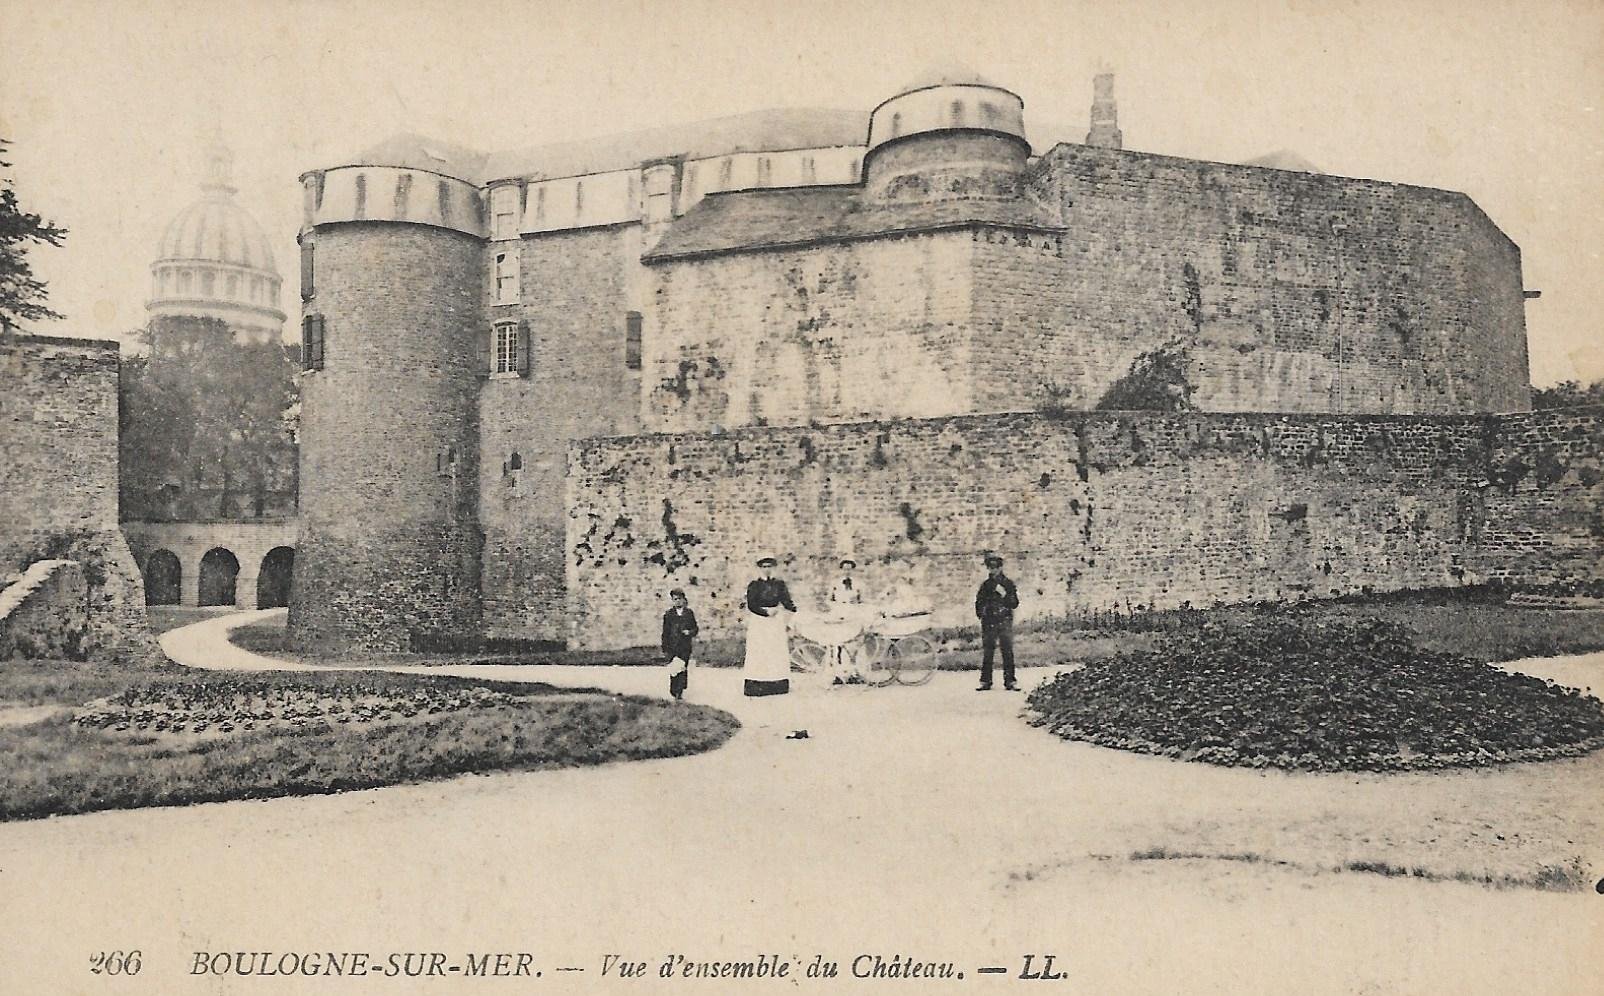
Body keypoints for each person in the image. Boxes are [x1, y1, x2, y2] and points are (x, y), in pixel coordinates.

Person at [743, 556, 796, 696]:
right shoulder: (754, 585)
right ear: (760, 568)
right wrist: (765, 612)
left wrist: (796, 611)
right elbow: (751, 605)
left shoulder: (779, 584)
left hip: (775, 622)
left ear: (773, 568)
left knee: (775, 650)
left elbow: (787, 601)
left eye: (769, 566)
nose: (767, 569)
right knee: (759, 650)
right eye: (764, 566)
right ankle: (757, 684)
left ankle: (777, 684)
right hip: (759, 621)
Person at [974, 553, 1019, 691]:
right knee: (988, 651)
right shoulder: (986, 585)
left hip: (1004, 620)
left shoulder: (1008, 584)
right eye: (990, 568)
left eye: (995, 567)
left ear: (1000, 568)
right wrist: (982, 614)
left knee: (1007, 651)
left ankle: (1010, 681)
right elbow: (979, 602)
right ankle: (986, 681)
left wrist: (1005, 594)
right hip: (989, 622)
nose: (993, 570)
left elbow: (1014, 603)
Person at [827, 557, 866, 685]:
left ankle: (854, 673)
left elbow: (863, 601)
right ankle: (837, 674)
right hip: (838, 614)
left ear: (853, 570)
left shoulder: (859, 584)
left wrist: (857, 606)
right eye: (845, 569)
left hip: (853, 614)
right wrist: (836, 608)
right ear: (841, 570)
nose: (847, 572)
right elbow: (828, 600)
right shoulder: (835, 583)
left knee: (854, 645)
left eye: (849, 570)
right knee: (837, 645)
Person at [661, 588, 699, 701]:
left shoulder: (688, 613)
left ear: (684, 600)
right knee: (674, 669)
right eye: (675, 599)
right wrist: (665, 647)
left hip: (685, 646)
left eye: (679, 599)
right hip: (673, 646)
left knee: (682, 668)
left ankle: (679, 691)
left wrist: (690, 632)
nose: (677, 601)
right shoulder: (669, 614)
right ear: (672, 600)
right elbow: (665, 632)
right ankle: (674, 690)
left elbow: (695, 628)